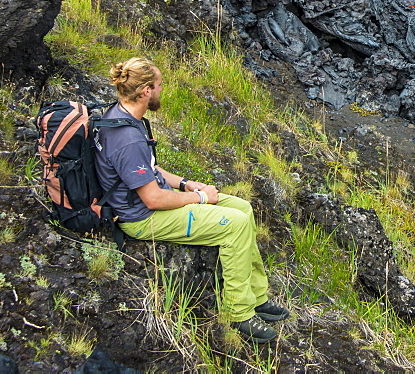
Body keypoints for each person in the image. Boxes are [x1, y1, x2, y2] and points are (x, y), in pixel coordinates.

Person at [94, 57, 288, 343]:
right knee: (234, 225)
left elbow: (148, 168)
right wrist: (198, 197)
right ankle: (239, 313)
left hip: (149, 200)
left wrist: (185, 183)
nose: (162, 90)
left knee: (243, 208)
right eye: (159, 85)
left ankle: (256, 296)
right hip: (142, 219)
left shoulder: (120, 115)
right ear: (146, 90)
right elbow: (153, 199)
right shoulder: (127, 138)